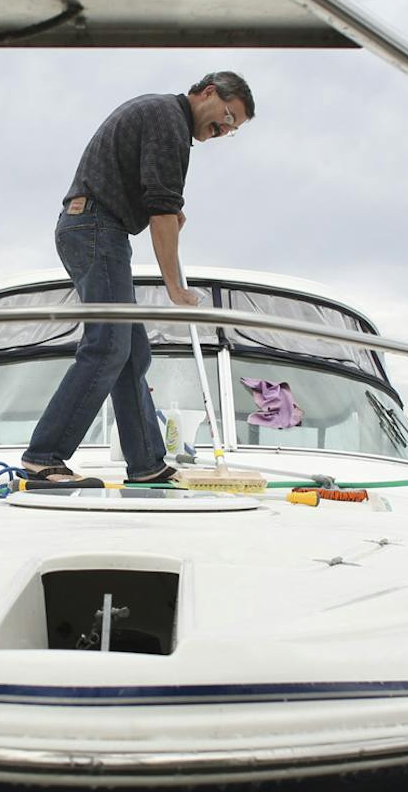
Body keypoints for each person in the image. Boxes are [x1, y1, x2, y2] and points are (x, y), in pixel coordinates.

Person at [22, 73, 255, 485]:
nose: (223, 131)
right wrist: (175, 287)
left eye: (231, 130)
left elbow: (159, 204)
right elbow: (161, 215)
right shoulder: (169, 120)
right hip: (96, 227)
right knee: (108, 345)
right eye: (227, 117)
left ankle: (147, 463)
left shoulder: (163, 116)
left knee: (130, 353)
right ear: (208, 93)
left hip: (89, 226)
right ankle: (44, 458)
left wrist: (164, 210)